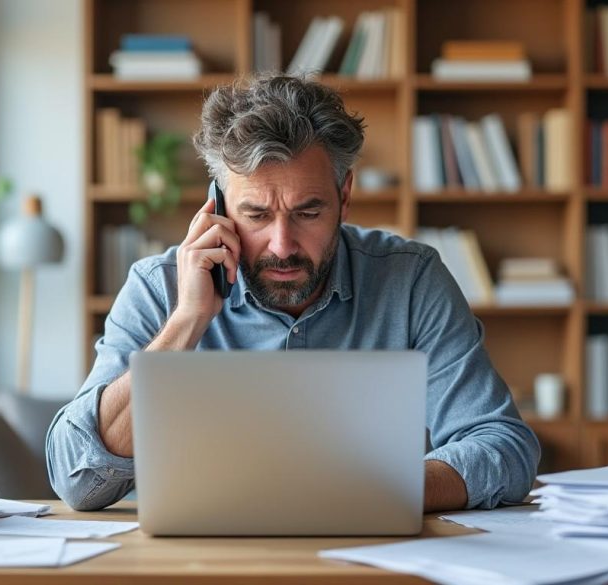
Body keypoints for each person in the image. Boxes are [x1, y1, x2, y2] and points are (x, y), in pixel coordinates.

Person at [46, 74, 540, 513]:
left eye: (307, 213)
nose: (282, 246)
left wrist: (371, 490)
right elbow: (78, 482)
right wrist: (185, 323)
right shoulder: (159, 288)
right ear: (217, 205)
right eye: (256, 215)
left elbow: (504, 446)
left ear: (344, 197)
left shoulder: (410, 281)